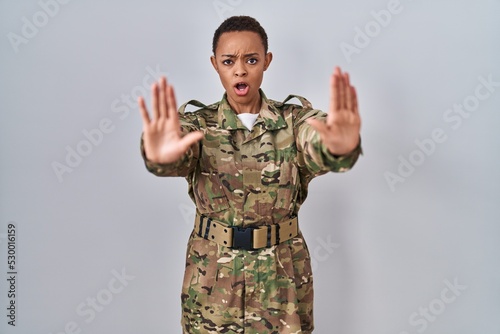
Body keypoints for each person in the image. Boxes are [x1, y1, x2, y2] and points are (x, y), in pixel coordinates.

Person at [138, 15, 362, 334]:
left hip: (281, 275)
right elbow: (176, 150)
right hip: (212, 280)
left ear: (267, 62)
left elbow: (317, 142)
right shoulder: (197, 125)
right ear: (215, 64)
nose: (240, 70)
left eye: (251, 59)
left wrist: (338, 147)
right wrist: (159, 156)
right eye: (229, 61)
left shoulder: (294, 122)